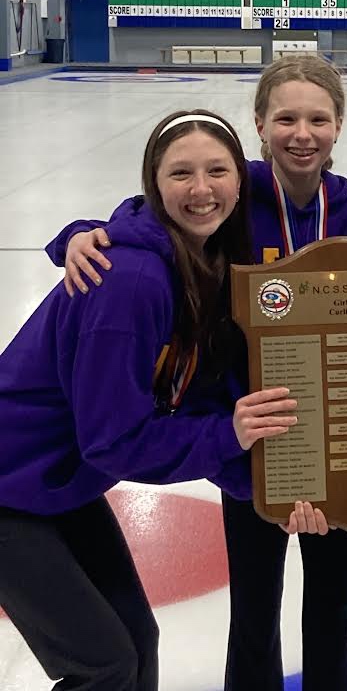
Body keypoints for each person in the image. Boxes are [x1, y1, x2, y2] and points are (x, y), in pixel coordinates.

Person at [47, 56, 347, 691]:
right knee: (254, 604)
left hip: (334, 439)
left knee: (333, 601)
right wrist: (79, 235)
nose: (302, 133)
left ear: (339, 126)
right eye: (285, 118)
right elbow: (144, 219)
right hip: (242, 432)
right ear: (259, 124)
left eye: (317, 119)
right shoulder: (230, 192)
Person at [0, 109, 298, 691]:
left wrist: (272, 494)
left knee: (136, 643)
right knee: (103, 666)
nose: (202, 189)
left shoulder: (204, 263)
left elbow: (192, 405)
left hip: (57, 485)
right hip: (9, 486)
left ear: (241, 180)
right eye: (181, 173)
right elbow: (115, 441)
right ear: (153, 184)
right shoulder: (132, 281)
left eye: (218, 171)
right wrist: (230, 437)